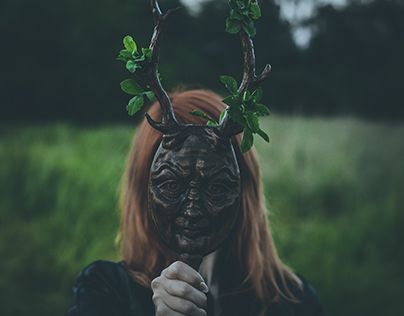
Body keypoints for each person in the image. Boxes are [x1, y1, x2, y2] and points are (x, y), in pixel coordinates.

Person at [68, 89, 323, 316]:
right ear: (144, 186)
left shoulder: (294, 302)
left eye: (215, 186)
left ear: (244, 187)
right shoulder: (105, 291)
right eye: (171, 184)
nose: (192, 208)